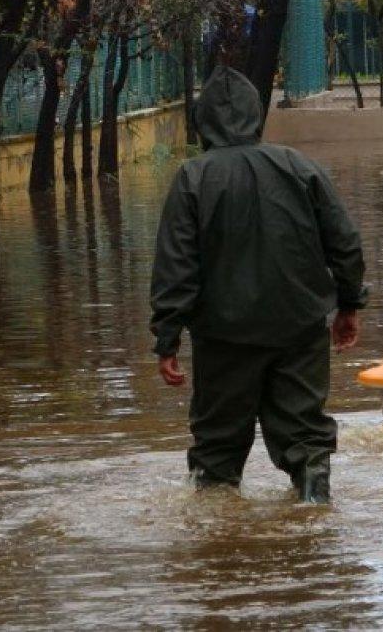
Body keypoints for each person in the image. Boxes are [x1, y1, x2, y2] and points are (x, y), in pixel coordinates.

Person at [149, 66, 367, 502]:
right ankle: (313, 512)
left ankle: (220, 544)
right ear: (257, 114)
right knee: (306, 436)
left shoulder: (193, 178)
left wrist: (167, 338)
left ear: (202, 121)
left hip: (223, 336)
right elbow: (345, 244)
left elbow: (176, 266)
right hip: (300, 328)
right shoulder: (301, 168)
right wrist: (348, 305)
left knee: (217, 448)